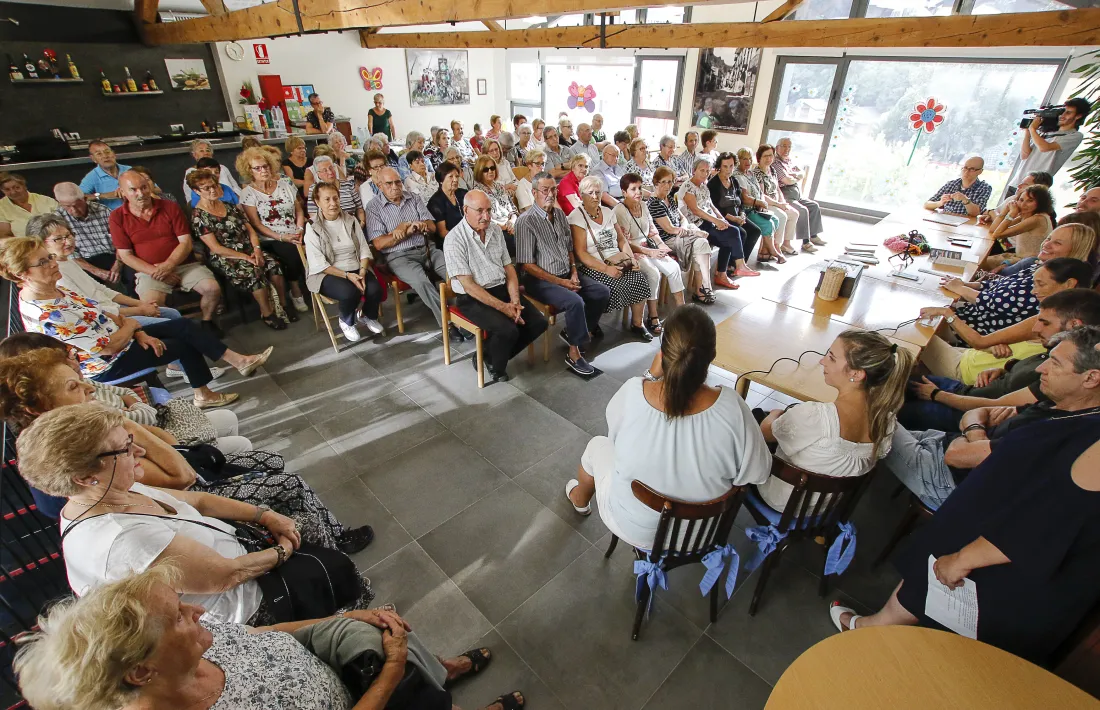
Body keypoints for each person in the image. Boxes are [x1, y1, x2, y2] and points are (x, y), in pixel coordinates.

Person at [830, 328, 1100, 667]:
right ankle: (879, 627)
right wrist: (975, 424)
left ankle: (887, 649)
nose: (1042, 369)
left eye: (1055, 363)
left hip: (983, 531)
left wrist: (965, 558)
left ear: (1091, 378)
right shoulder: (1062, 407)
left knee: (873, 411)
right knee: (925, 581)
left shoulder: (1085, 436)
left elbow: (1051, 521)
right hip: (971, 503)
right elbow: (988, 416)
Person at [17, 403, 374, 624]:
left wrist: (265, 516)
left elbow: (198, 502)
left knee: (305, 528)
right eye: (125, 448)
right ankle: (348, 622)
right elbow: (226, 576)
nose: (139, 450)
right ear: (83, 475)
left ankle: (347, 603)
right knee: (318, 550)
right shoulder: (120, 538)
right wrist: (283, 549)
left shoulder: (109, 488)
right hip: (246, 608)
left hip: (241, 554)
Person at [13, 565, 523, 710]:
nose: (197, 611)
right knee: (400, 662)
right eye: (176, 617)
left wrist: (342, 620)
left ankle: (439, 671)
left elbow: (260, 636)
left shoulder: (197, 640)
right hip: (367, 696)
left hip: (344, 673)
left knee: (401, 649)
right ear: (141, 670)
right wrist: (388, 673)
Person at [565, 305, 771, 547]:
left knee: (597, 445)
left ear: (662, 354)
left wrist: (650, 378)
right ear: (711, 356)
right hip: (699, 534)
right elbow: (758, 473)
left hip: (633, 526)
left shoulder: (633, 393)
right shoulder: (734, 408)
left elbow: (615, 440)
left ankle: (580, 499)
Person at [0, 237, 271, 408]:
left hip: (122, 338)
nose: (52, 262)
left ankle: (237, 362)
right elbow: (104, 348)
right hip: (105, 365)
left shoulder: (56, 288)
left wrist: (138, 331)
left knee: (183, 326)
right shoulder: (46, 314)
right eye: (43, 262)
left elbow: (100, 312)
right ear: (23, 274)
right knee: (180, 344)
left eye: (49, 257)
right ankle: (206, 393)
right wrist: (133, 328)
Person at [904, 288, 1100, 433]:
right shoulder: (1052, 351)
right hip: (961, 391)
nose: (1035, 329)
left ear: (1074, 325)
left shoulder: (1064, 374)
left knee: (893, 409)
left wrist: (937, 395)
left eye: (1044, 322)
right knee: (899, 385)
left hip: (962, 409)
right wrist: (1004, 370)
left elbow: (996, 404)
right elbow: (1024, 371)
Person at [757, 331, 913, 511]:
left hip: (784, 501)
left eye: (831, 358)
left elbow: (765, 434)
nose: (822, 361)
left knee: (757, 417)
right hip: (826, 506)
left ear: (857, 373)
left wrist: (775, 414)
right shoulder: (887, 421)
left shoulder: (814, 416)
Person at [916, 257, 1092, 384]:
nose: (1033, 291)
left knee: (914, 336)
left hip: (966, 369)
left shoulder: (1049, 319)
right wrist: (994, 346)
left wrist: (948, 313)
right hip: (973, 357)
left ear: (1069, 284)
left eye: (1041, 284)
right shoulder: (1069, 322)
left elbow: (978, 341)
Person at [443, 191, 548, 384]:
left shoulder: (495, 230)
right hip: (472, 297)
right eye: (480, 211)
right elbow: (469, 285)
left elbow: (508, 268)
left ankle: (488, 353)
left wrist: (514, 300)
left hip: (500, 288)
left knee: (538, 323)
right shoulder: (454, 239)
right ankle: (494, 363)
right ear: (466, 210)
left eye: (489, 210)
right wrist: (504, 307)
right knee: (508, 330)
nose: (487, 216)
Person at [516, 172, 609, 376]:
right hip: (539, 280)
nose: (550, 194)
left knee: (601, 291)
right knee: (575, 301)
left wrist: (574, 272)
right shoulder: (526, 221)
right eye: (545, 190)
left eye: (553, 189)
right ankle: (574, 354)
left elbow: (569, 248)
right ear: (534, 193)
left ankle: (574, 333)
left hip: (566, 273)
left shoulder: (559, 215)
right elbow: (527, 265)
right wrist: (561, 282)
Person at [25, 214, 187, 329]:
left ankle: (177, 366)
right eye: (58, 239)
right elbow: (93, 309)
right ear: (41, 243)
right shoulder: (56, 274)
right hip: (104, 321)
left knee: (172, 314)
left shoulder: (69, 260)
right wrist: (140, 310)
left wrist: (140, 303)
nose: (68, 241)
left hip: (113, 308)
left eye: (69, 235)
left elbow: (102, 290)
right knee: (173, 324)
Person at [109, 173, 224, 332]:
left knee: (212, 288)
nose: (141, 193)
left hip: (184, 264)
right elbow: (125, 255)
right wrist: (158, 271)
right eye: (133, 190)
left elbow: (186, 242)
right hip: (149, 271)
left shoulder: (169, 207)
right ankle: (179, 329)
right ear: (122, 192)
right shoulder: (117, 217)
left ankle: (207, 321)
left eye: (144, 187)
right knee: (152, 304)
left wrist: (169, 265)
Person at [189, 169, 294, 331]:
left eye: (214, 185)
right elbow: (216, 248)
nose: (213, 190)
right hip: (225, 255)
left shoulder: (230, 206)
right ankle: (267, 314)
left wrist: (257, 249)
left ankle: (283, 305)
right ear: (196, 191)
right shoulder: (198, 216)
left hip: (248, 248)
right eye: (206, 188)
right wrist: (246, 258)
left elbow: (250, 230)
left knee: (274, 266)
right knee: (254, 272)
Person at [946, 224, 1096, 334]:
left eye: (1057, 243)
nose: (1047, 244)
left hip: (975, 329)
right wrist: (964, 284)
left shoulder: (1052, 283)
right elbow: (996, 284)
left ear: (1075, 250)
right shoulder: (1040, 266)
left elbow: (995, 304)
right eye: (1049, 238)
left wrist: (960, 289)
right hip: (967, 313)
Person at [366, 168, 455, 335]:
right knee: (422, 282)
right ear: (379, 186)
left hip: (427, 249)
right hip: (399, 257)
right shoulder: (373, 207)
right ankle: (448, 323)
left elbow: (432, 226)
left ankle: (468, 314)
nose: (395, 186)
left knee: (456, 272)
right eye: (389, 183)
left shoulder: (413, 197)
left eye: (398, 181)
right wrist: (404, 232)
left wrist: (415, 225)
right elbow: (378, 244)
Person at [568, 176, 653, 341]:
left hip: (617, 258)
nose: (594, 196)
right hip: (593, 264)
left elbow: (621, 240)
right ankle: (592, 323)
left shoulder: (608, 212)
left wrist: (631, 258)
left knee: (640, 278)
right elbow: (581, 253)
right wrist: (606, 269)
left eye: (598, 192)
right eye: (590, 193)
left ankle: (637, 324)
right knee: (611, 286)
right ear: (581, 195)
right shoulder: (577, 217)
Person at [306, 182, 384, 342]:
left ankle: (367, 316)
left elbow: (363, 248)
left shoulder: (351, 220)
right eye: (327, 199)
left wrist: (362, 272)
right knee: (350, 292)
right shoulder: (312, 226)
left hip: (356, 267)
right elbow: (319, 263)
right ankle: (346, 320)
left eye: (335, 198)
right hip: (327, 273)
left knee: (376, 289)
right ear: (317, 201)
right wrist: (348, 276)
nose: (333, 203)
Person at [237, 147, 310, 314]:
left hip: (295, 230)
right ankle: (295, 289)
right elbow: (256, 224)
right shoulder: (248, 194)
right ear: (250, 171)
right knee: (292, 252)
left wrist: (300, 228)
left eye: (266, 166)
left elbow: (298, 209)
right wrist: (282, 237)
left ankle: (321, 287)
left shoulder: (285, 184)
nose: (263, 170)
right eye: (258, 168)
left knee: (317, 244)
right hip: (271, 237)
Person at [614, 173, 685, 334]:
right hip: (633, 250)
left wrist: (661, 247)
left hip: (649, 246)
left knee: (673, 267)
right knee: (653, 274)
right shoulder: (620, 210)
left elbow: (652, 231)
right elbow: (624, 242)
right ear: (624, 192)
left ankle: (682, 311)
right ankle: (652, 315)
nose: (638, 192)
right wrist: (650, 252)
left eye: (639, 188)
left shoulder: (644, 206)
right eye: (633, 189)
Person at [681, 158, 757, 291]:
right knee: (732, 233)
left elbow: (712, 206)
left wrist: (722, 220)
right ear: (694, 171)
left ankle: (724, 273)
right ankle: (737, 266)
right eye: (701, 170)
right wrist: (716, 221)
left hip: (709, 221)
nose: (704, 174)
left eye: (706, 171)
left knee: (731, 231)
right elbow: (696, 210)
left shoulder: (704, 186)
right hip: (697, 225)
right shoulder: (688, 186)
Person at [649, 166, 715, 305]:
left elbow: (683, 218)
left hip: (681, 235)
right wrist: (693, 232)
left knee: (701, 244)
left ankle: (702, 288)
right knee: (700, 242)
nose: (668, 185)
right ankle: (702, 289)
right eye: (664, 182)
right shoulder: (654, 203)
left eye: (671, 182)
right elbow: (670, 229)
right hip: (667, 240)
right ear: (656, 183)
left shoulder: (670, 199)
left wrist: (685, 229)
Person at [52, 182, 120, 286]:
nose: (73, 210)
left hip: (113, 257)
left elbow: (121, 241)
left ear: (85, 199)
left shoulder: (103, 211)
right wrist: (97, 271)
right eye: (67, 207)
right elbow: (69, 254)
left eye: (77, 205)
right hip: (84, 262)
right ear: (60, 204)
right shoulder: (58, 219)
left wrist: (118, 265)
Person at [1013, 96, 1091, 183]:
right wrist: (1028, 132)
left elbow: (1044, 148)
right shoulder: (1046, 131)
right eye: (1062, 112)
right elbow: (1024, 155)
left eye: (1068, 113)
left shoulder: (1075, 135)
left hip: (1034, 186)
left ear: (1078, 116)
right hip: (1017, 181)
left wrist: (1032, 129)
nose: (1062, 115)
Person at [709, 151, 764, 267]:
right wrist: (735, 218)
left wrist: (742, 214)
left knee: (755, 231)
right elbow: (715, 209)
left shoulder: (734, 181)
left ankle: (741, 263)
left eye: (731, 166)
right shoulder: (713, 184)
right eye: (725, 166)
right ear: (719, 166)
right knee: (741, 232)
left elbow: (740, 203)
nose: (729, 169)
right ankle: (730, 264)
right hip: (723, 218)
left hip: (737, 215)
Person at [982, 184, 1056, 269]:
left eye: (1030, 201)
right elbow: (993, 229)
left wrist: (1012, 213)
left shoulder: (1038, 219)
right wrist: (1006, 210)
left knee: (978, 264)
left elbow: (997, 234)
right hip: (1017, 258)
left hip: (1027, 264)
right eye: (1021, 200)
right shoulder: (1027, 215)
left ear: (1041, 203)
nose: (1023, 204)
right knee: (978, 260)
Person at [773, 137, 826, 248]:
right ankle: (805, 242)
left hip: (796, 193)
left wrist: (795, 176)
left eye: (789, 147)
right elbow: (787, 180)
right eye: (784, 146)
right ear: (777, 147)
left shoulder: (788, 160)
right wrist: (795, 177)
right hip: (786, 195)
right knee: (802, 210)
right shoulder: (775, 162)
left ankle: (813, 235)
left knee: (814, 206)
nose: (786, 149)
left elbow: (801, 172)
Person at [734, 148, 783, 263]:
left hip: (756, 208)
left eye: (750, 159)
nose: (748, 162)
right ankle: (773, 251)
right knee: (767, 224)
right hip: (746, 210)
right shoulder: (737, 175)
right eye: (744, 159)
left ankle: (764, 252)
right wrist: (758, 202)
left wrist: (761, 202)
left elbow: (760, 192)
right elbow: (745, 198)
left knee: (775, 220)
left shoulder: (750, 173)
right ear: (738, 160)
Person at [752, 144, 803, 255]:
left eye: (771, 156)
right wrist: (778, 205)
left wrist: (783, 202)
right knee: (782, 215)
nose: (769, 159)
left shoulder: (772, 170)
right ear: (759, 157)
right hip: (764, 204)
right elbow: (761, 195)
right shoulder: (756, 173)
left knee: (794, 213)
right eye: (765, 156)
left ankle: (786, 243)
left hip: (776, 202)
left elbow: (778, 189)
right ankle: (775, 245)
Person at [472, 155, 519, 248]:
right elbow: (481, 218)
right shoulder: (477, 192)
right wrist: (503, 226)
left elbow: (513, 209)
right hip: (495, 230)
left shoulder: (500, 187)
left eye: (492, 168)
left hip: (511, 224)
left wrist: (512, 221)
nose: (490, 171)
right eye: (486, 169)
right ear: (479, 171)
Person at [305, 156, 365, 225]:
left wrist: (361, 223)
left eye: (331, 168)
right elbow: (313, 215)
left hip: (352, 225)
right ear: (318, 175)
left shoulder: (348, 185)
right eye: (325, 170)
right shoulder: (314, 189)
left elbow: (359, 208)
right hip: (328, 229)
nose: (330, 172)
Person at [925, 155, 992, 217]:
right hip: (945, 221)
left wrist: (965, 200)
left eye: (972, 169)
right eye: (965, 168)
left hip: (967, 224)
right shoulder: (951, 184)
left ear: (980, 171)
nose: (966, 172)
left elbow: (976, 213)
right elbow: (927, 204)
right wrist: (940, 203)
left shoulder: (984, 188)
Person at [181, 139, 241, 205]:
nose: (206, 153)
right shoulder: (191, 172)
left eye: (208, 150)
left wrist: (240, 201)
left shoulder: (223, 168)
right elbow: (190, 198)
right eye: (201, 151)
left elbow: (235, 187)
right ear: (195, 155)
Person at [0, 172, 58, 238]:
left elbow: (63, 222)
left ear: (24, 186)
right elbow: (4, 236)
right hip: (23, 246)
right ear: (2, 191)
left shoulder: (46, 200)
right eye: (7, 189)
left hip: (52, 242)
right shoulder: (1, 206)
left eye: (17, 187)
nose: (13, 192)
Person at [79, 140, 131, 210]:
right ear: (93, 159)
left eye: (107, 152)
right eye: (99, 154)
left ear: (114, 154)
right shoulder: (91, 177)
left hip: (134, 213)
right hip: (110, 216)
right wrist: (103, 195)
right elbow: (78, 197)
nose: (105, 156)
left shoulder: (129, 170)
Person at [427, 162, 468, 243]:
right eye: (450, 177)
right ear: (441, 180)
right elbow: (443, 232)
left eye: (457, 176)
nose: (455, 180)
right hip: (451, 240)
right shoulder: (435, 202)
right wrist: (464, 240)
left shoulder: (464, 194)